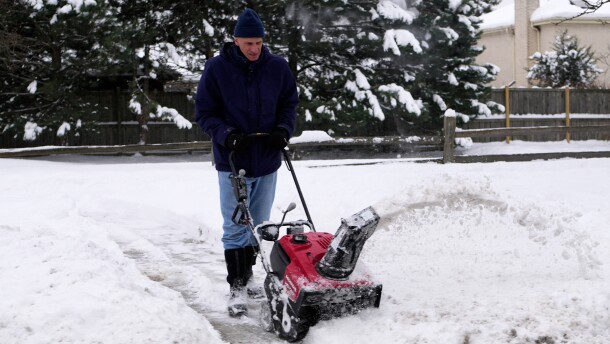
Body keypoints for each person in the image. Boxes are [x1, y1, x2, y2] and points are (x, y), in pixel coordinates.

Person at [194, 8, 298, 317]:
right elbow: (205, 113)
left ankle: (249, 274)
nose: (254, 49)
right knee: (235, 225)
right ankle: (236, 287)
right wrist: (226, 135)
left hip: (266, 157)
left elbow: (288, 105)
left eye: (258, 42)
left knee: (259, 224)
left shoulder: (277, 67)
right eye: (248, 43)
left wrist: (282, 130)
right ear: (236, 40)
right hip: (232, 158)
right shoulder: (216, 69)